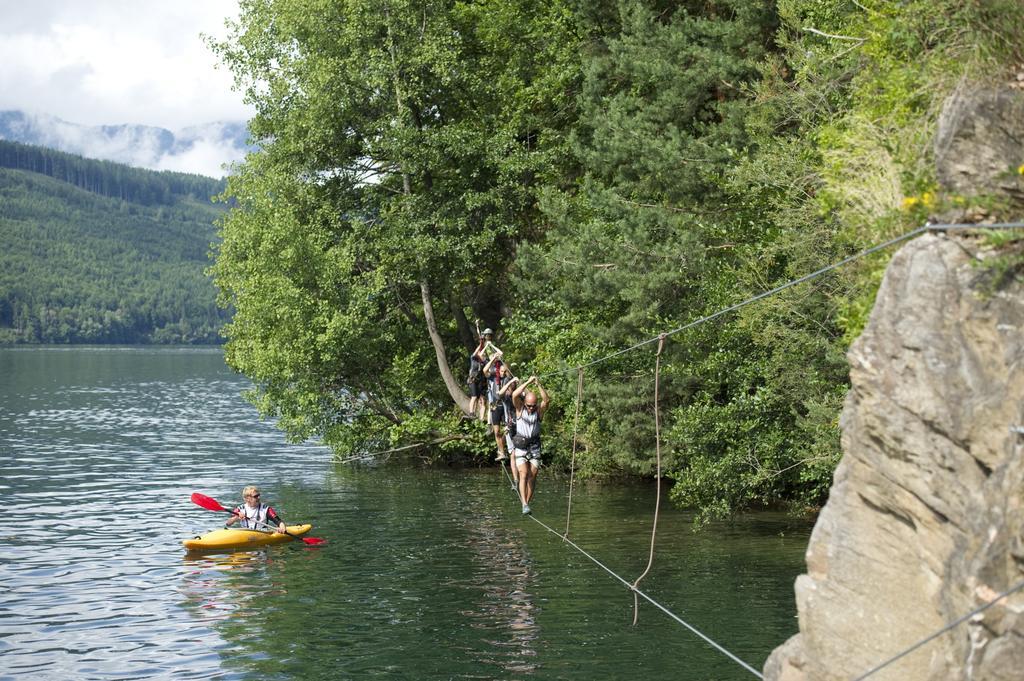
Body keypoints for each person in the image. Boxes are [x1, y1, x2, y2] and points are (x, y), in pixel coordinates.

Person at [511, 376, 549, 515]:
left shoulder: (538, 412)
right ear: (525, 403)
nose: (531, 408)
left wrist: (538, 384)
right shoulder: (520, 409)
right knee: (524, 474)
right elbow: (515, 395)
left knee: (533, 476)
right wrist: (527, 382)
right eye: (529, 405)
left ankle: (527, 502)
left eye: (533, 405)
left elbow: (547, 400)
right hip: (521, 446)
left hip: (534, 446)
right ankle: (524, 504)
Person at [484, 352, 513, 461]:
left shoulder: (507, 379)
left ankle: (502, 449)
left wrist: (501, 360)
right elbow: (484, 371)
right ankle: (501, 452)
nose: (503, 373)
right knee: (496, 431)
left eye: (504, 371)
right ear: (497, 371)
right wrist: (493, 360)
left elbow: (510, 375)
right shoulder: (492, 377)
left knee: (506, 430)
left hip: (505, 406)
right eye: (501, 371)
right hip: (495, 407)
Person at [466, 329, 491, 421]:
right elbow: (478, 350)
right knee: (474, 396)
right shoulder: (474, 358)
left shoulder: (484, 362)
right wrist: (481, 343)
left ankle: (481, 418)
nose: (483, 354)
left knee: (483, 400)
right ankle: (471, 412)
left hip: (481, 382)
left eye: (484, 353)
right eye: (482, 353)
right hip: (473, 380)